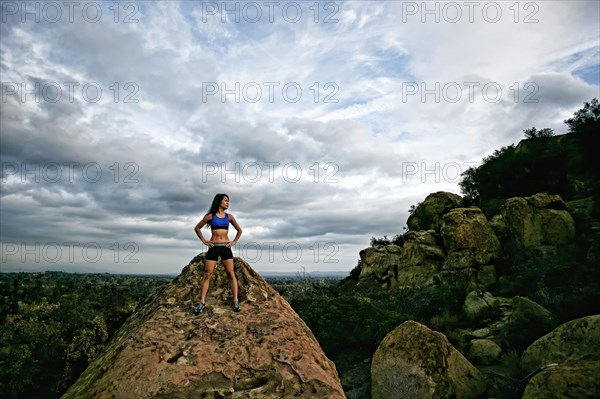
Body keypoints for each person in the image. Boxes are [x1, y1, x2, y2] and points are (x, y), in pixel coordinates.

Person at [193, 193, 242, 313]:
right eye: (225, 201)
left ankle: (235, 301)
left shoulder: (229, 217)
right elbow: (197, 228)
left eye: (228, 201)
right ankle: (202, 302)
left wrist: (233, 242)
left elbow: (239, 230)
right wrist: (204, 241)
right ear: (219, 202)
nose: (227, 203)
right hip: (214, 247)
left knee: (231, 274)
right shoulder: (210, 216)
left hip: (225, 247)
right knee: (207, 275)